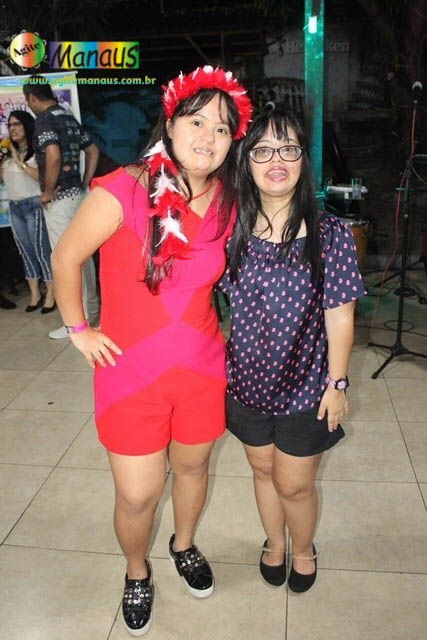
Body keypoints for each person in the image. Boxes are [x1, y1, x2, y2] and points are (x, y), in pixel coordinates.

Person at [51, 66, 252, 636]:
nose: (209, 137)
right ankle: (136, 571)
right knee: (138, 494)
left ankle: (183, 544)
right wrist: (77, 329)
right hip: (129, 373)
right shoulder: (122, 188)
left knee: (193, 468)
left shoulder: (229, 200)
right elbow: (66, 257)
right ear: (170, 122)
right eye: (197, 122)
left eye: (222, 128)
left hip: (201, 369)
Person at [218, 106, 366, 594]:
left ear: (304, 159)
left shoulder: (330, 235)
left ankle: (303, 549)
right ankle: (275, 543)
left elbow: (340, 316)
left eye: (288, 148)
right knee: (263, 471)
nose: (276, 159)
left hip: (307, 387)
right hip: (245, 385)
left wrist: (337, 384)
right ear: (246, 163)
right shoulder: (230, 233)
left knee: (296, 484)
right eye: (262, 150)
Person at [23, 75, 99, 338]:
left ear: (32, 97)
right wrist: (85, 183)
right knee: (83, 256)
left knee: (66, 260)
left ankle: (77, 323)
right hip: (77, 197)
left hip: (60, 201)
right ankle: (91, 310)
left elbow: (53, 155)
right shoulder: (67, 116)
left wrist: (47, 190)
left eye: (28, 101)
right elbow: (92, 150)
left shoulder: (44, 120)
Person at [0, 110, 55, 312]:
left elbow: (41, 177)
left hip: (34, 205)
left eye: (17, 124)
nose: (12, 129)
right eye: (10, 125)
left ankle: (51, 294)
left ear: (26, 126)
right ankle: (35, 294)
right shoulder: (7, 154)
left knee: (41, 251)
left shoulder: (36, 151)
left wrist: (19, 161)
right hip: (14, 207)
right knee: (26, 252)